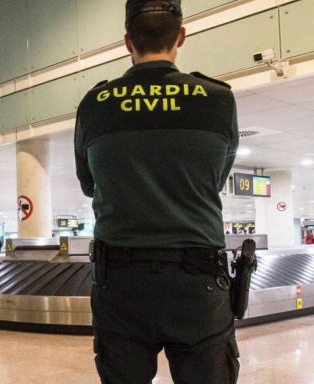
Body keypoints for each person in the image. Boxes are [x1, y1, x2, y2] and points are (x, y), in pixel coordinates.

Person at [74, 1, 239, 382]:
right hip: (198, 284)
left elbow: (88, 183)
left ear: (127, 41)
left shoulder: (94, 105)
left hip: (120, 284)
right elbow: (214, 180)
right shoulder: (218, 99)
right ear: (180, 36)